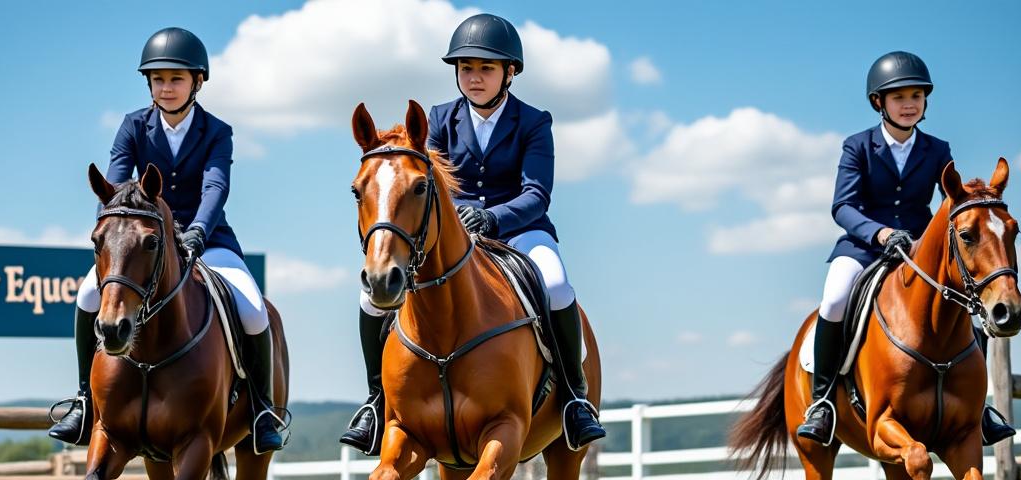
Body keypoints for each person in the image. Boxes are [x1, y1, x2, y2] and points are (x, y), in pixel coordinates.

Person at [340, 13, 605, 455]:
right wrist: (464, 217)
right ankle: (375, 402)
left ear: (509, 73)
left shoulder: (534, 122)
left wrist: (493, 219)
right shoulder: (440, 119)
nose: (475, 78)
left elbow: (537, 194)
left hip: (521, 232)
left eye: (485, 68)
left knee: (557, 285)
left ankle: (575, 399)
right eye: (466, 68)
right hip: (454, 235)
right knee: (370, 298)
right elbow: (428, 186)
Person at [48, 27, 284, 453]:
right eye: (159, 79)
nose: (167, 87)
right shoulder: (132, 127)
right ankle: (85, 400)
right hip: (140, 244)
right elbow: (115, 186)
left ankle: (262, 411)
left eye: (176, 79)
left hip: (206, 239)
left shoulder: (216, 131)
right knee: (87, 297)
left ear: (197, 82)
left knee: (253, 309)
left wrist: (196, 232)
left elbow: (215, 188)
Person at [797, 50, 1015, 447]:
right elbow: (842, 206)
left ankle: (978, 408)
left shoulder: (936, 149)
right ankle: (824, 401)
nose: (909, 103)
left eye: (916, 96)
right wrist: (879, 234)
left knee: (967, 303)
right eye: (899, 97)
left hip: (917, 250)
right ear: (879, 102)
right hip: (863, 246)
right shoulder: (857, 146)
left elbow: (953, 198)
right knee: (834, 300)